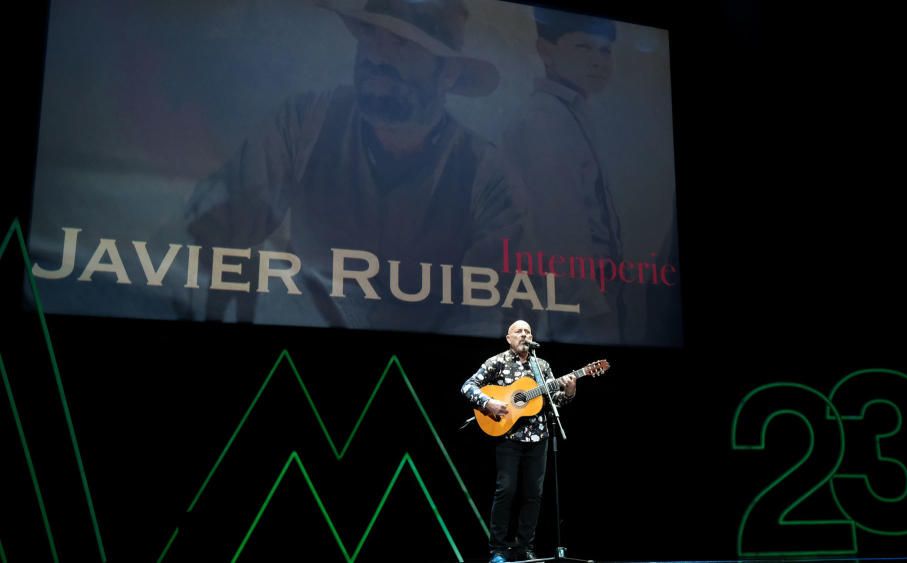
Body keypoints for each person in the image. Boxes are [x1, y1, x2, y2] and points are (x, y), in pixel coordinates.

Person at [180, 0, 523, 332]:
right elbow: (211, 227)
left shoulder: (485, 174)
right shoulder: (304, 124)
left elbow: (492, 317)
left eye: (401, 43)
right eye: (369, 36)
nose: (375, 55)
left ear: (447, 72)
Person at [500, 8, 625, 345]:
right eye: (584, 47)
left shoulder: (570, 113)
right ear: (546, 51)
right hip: (575, 313)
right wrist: (592, 311)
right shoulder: (545, 119)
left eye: (605, 50)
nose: (599, 61)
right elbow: (561, 230)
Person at [461, 320, 577, 563]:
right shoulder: (497, 362)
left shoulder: (541, 365)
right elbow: (468, 386)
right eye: (519, 331)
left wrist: (569, 391)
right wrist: (488, 403)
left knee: (533, 494)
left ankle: (525, 547)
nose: (524, 334)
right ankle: (499, 550)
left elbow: (552, 401)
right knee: (506, 490)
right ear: (508, 338)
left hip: (539, 437)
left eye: (528, 331)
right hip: (508, 436)